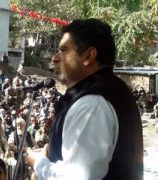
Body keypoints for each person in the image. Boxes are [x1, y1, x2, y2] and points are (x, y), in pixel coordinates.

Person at [27, 18, 143, 179]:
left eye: (64, 50)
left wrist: (39, 163)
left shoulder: (92, 105)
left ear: (89, 56)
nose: (55, 58)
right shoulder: (113, 89)